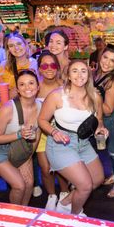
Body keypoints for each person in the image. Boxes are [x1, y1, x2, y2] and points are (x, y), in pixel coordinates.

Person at [38, 59, 106, 215]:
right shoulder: (57, 96)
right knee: (85, 186)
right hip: (61, 144)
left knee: (97, 180)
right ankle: (75, 216)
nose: (79, 75)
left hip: (83, 142)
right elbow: (41, 120)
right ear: (68, 75)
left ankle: (64, 204)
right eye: (74, 70)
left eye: (83, 71)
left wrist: (100, 129)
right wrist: (54, 132)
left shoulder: (95, 96)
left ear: (89, 75)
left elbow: (99, 119)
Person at [0, 70, 41, 205]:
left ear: (38, 87)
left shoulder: (41, 105)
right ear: (18, 90)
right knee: (19, 185)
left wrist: (29, 156)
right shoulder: (8, 109)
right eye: (22, 84)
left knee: (29, 183)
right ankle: (13, 215)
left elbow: (37, 132)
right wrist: (19, 134)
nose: (27, 87)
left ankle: (24, 212)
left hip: (20, 148)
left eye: (31, 83)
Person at [34, 51, 69, 211]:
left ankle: (64, 193)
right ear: (39, 68)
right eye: (44, 65)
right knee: (46, 168)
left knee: (61, 167)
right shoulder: (35, 87)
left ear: (57, 67)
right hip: (42, 133)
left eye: (53, 65)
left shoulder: (64, 85)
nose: (49, 68)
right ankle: (51, 195)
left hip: (62, 132)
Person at [94, 44, 114, 198]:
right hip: (98, 120)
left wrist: (93, 98)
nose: (107, 62)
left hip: (111, 121)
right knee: (105, 151)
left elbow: (107, 109)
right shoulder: (96, 74)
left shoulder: (112, 82)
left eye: (112, 61)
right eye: (105, 57)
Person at [0, 33, 38, 100]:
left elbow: (39, 88)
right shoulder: (3, 65)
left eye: (19, 43)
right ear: (8, 49)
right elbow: (0, 93)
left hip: (29, 107)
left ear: (25, 44)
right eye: (11, 45)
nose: (16, 48)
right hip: (9, 107)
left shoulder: (35, 64)